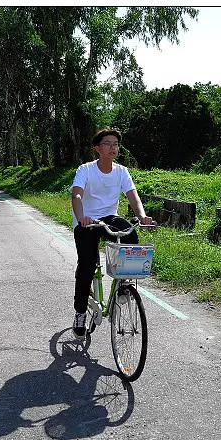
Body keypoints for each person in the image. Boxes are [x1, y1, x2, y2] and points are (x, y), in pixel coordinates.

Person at [70, 128, 154, 336]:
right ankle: (80, 312)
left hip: (108, 216)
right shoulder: (86, 170)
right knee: (87, 266)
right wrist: (82, 217)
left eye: (116, 144)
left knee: (130, 235)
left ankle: (123, 284)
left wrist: (142, 216)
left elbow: (133, 197)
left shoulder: (121, 171)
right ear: (98, 148)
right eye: (108, 143)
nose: (113, 147)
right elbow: (77, 196)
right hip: (86, 220)